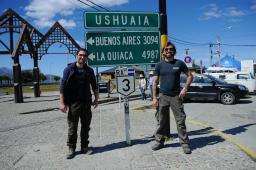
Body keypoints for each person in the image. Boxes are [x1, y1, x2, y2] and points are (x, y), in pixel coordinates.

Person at [152, 41, 193, 154]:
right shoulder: (159, 65)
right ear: (163, 52)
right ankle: (159, 141)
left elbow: (190, 76)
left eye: (171, 49)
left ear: (174, 51)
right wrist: (154, 98)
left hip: (176, 96)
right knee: (161, 121)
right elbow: (155, 82)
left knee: (180, 121)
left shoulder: (179, 63)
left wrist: (185, 89)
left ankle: (185, 143)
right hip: (163, 96)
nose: (168, 51)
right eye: (166, 49)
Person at [60, 48, 99, 159]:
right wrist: (62, 103)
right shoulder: (69, 69)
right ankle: (71, 148)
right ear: (77, 56)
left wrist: (96, 99)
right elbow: (62, 87)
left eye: (84, 55)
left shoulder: (89, 70)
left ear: (86, 58)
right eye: (80, 55)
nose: (82, 57)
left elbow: (94, 86)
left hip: (86, 102)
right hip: (73, 103)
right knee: (73, 127)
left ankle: (84, 147)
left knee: (86, 126)